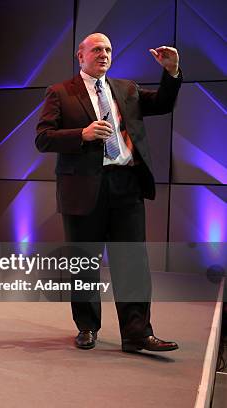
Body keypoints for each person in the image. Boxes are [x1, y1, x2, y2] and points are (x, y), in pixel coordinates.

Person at [35, 33, 182, 352]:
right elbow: (43, 138)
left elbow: (163, 104)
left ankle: (137, 333)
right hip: (83, 188)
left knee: (132, 262)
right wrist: (82, 134)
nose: (103, 54)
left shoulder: (126, 89)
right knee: (84, 261)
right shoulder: (60, 92)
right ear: (81, 55)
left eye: (108, 50)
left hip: (126, 185)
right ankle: (87, 327)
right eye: (97, 49)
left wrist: (170, 73)